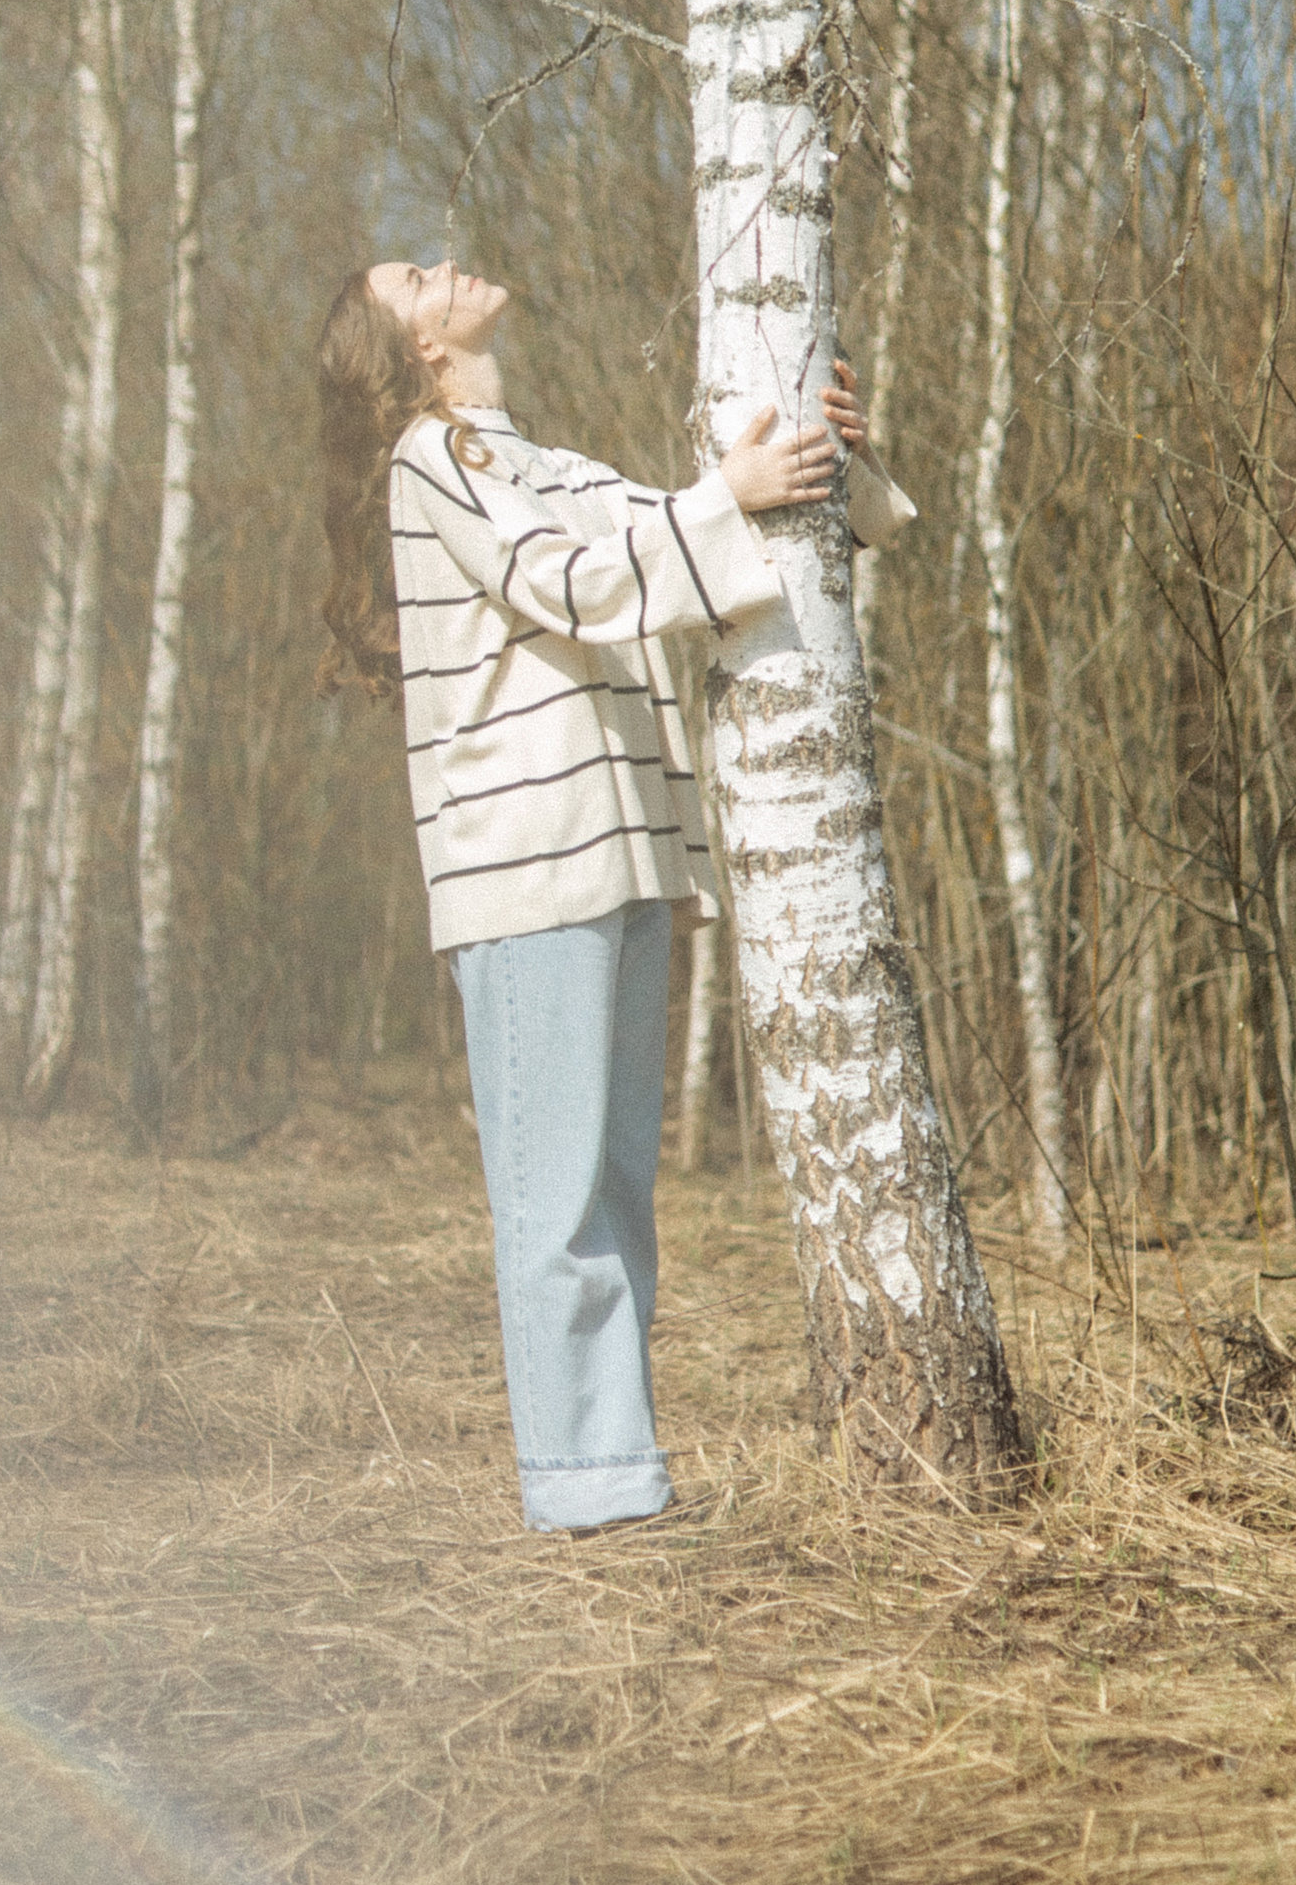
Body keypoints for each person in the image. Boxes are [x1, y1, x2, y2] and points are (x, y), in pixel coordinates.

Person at [313, 257, 912, 1535]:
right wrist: (730, 495)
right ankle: (585, 1489)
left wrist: (829, 464)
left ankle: (610, 1472)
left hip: (622, 849)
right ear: (414, 347)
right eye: (415, 275)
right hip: (525, 865)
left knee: (613, 1194)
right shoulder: (432, 459)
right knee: (557, 1201)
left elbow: (697, 536)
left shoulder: (537, 461)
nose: (446, 259)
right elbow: (578, 584)